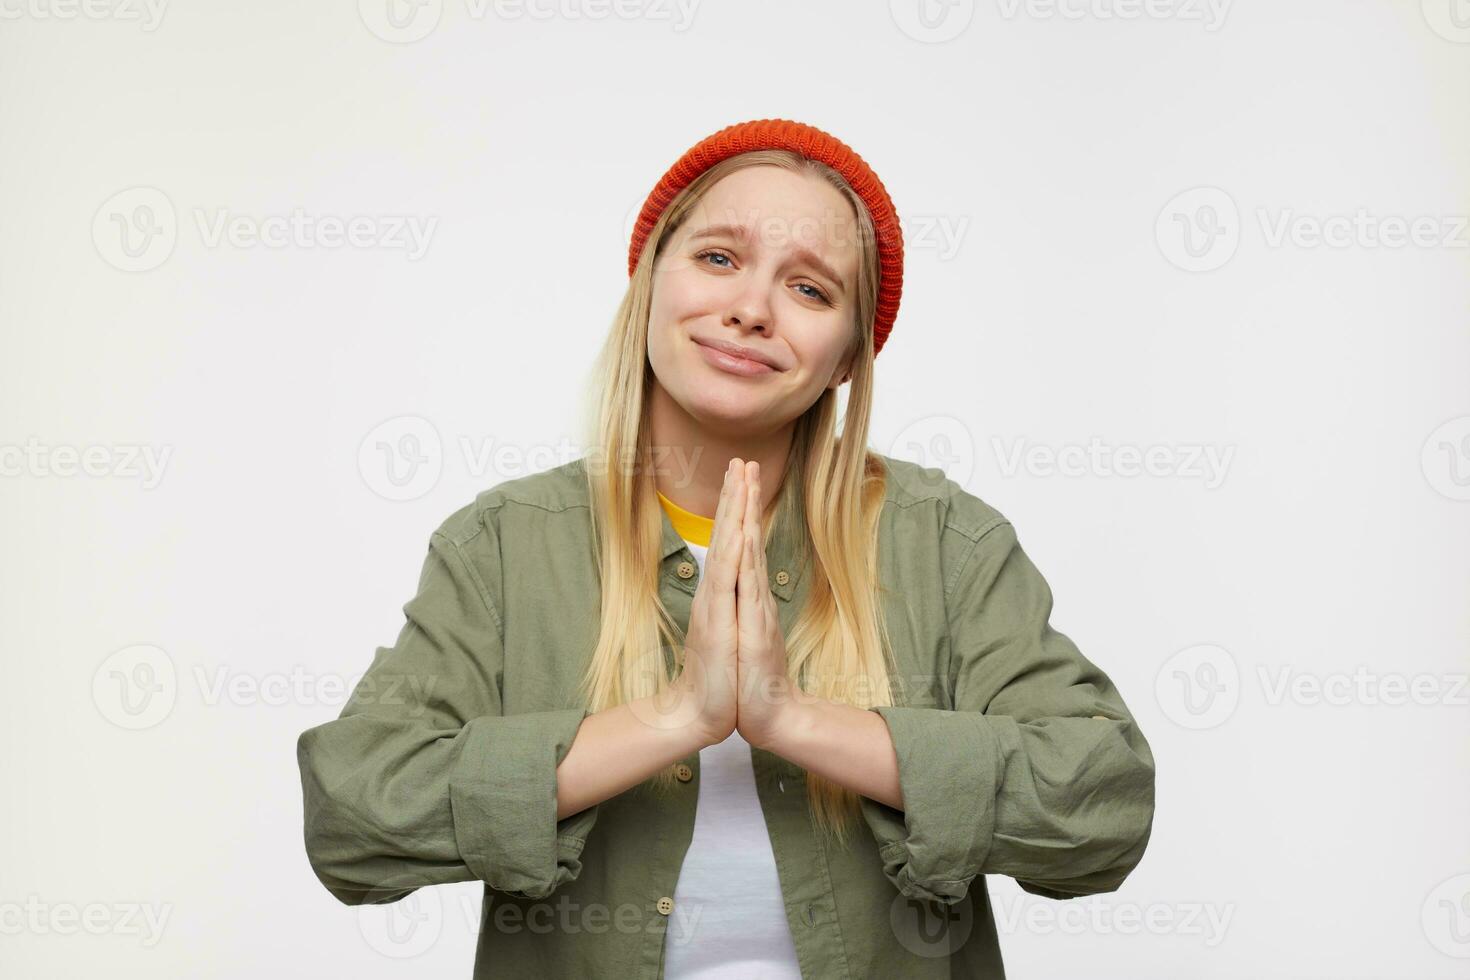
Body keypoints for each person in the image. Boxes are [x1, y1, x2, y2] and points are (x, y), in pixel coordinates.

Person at [295, 118, 1157, 978]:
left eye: (811, 290)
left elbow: (1104, 801)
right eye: (718, 258)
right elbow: (354, 809)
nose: (750, 309)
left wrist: (794, 719)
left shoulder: (945, 541)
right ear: (647, 280)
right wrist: (679, 716)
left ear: (848, 358)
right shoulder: (503, 547)